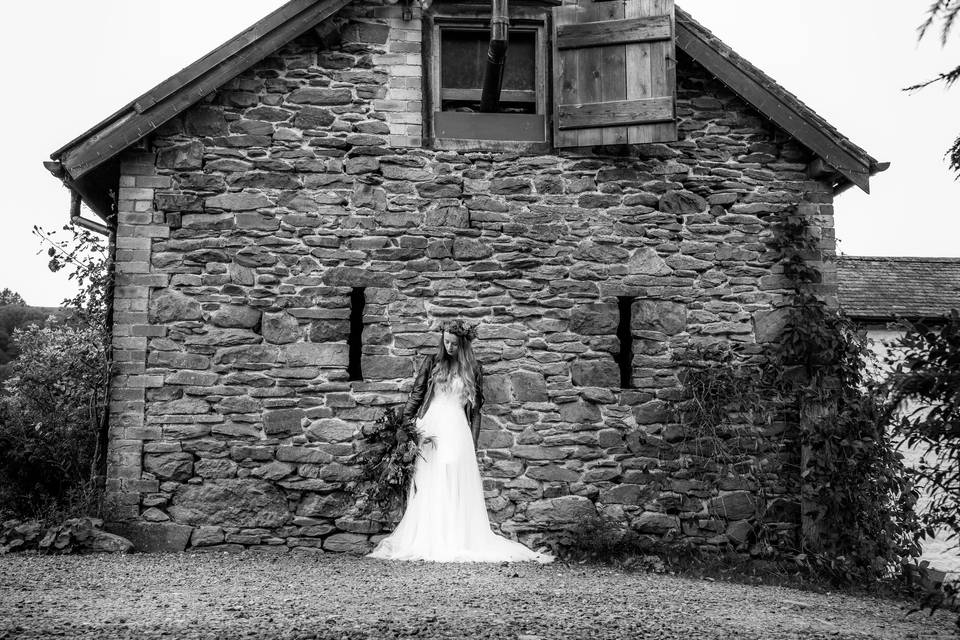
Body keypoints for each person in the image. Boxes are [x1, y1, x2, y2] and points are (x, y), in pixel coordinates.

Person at [366, 318, 555, 563]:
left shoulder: (473, 369)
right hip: (430, 426)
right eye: (446, 342)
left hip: (456, 427)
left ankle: (454, 536)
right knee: (429, 478)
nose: (449, 347)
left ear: (463, 345)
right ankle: (430, 536)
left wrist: (473, 443)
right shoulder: (432, 362)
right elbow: (418, 394)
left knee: (452, 472)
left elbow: (475, 411)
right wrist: (404, 424)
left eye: (454, 344)